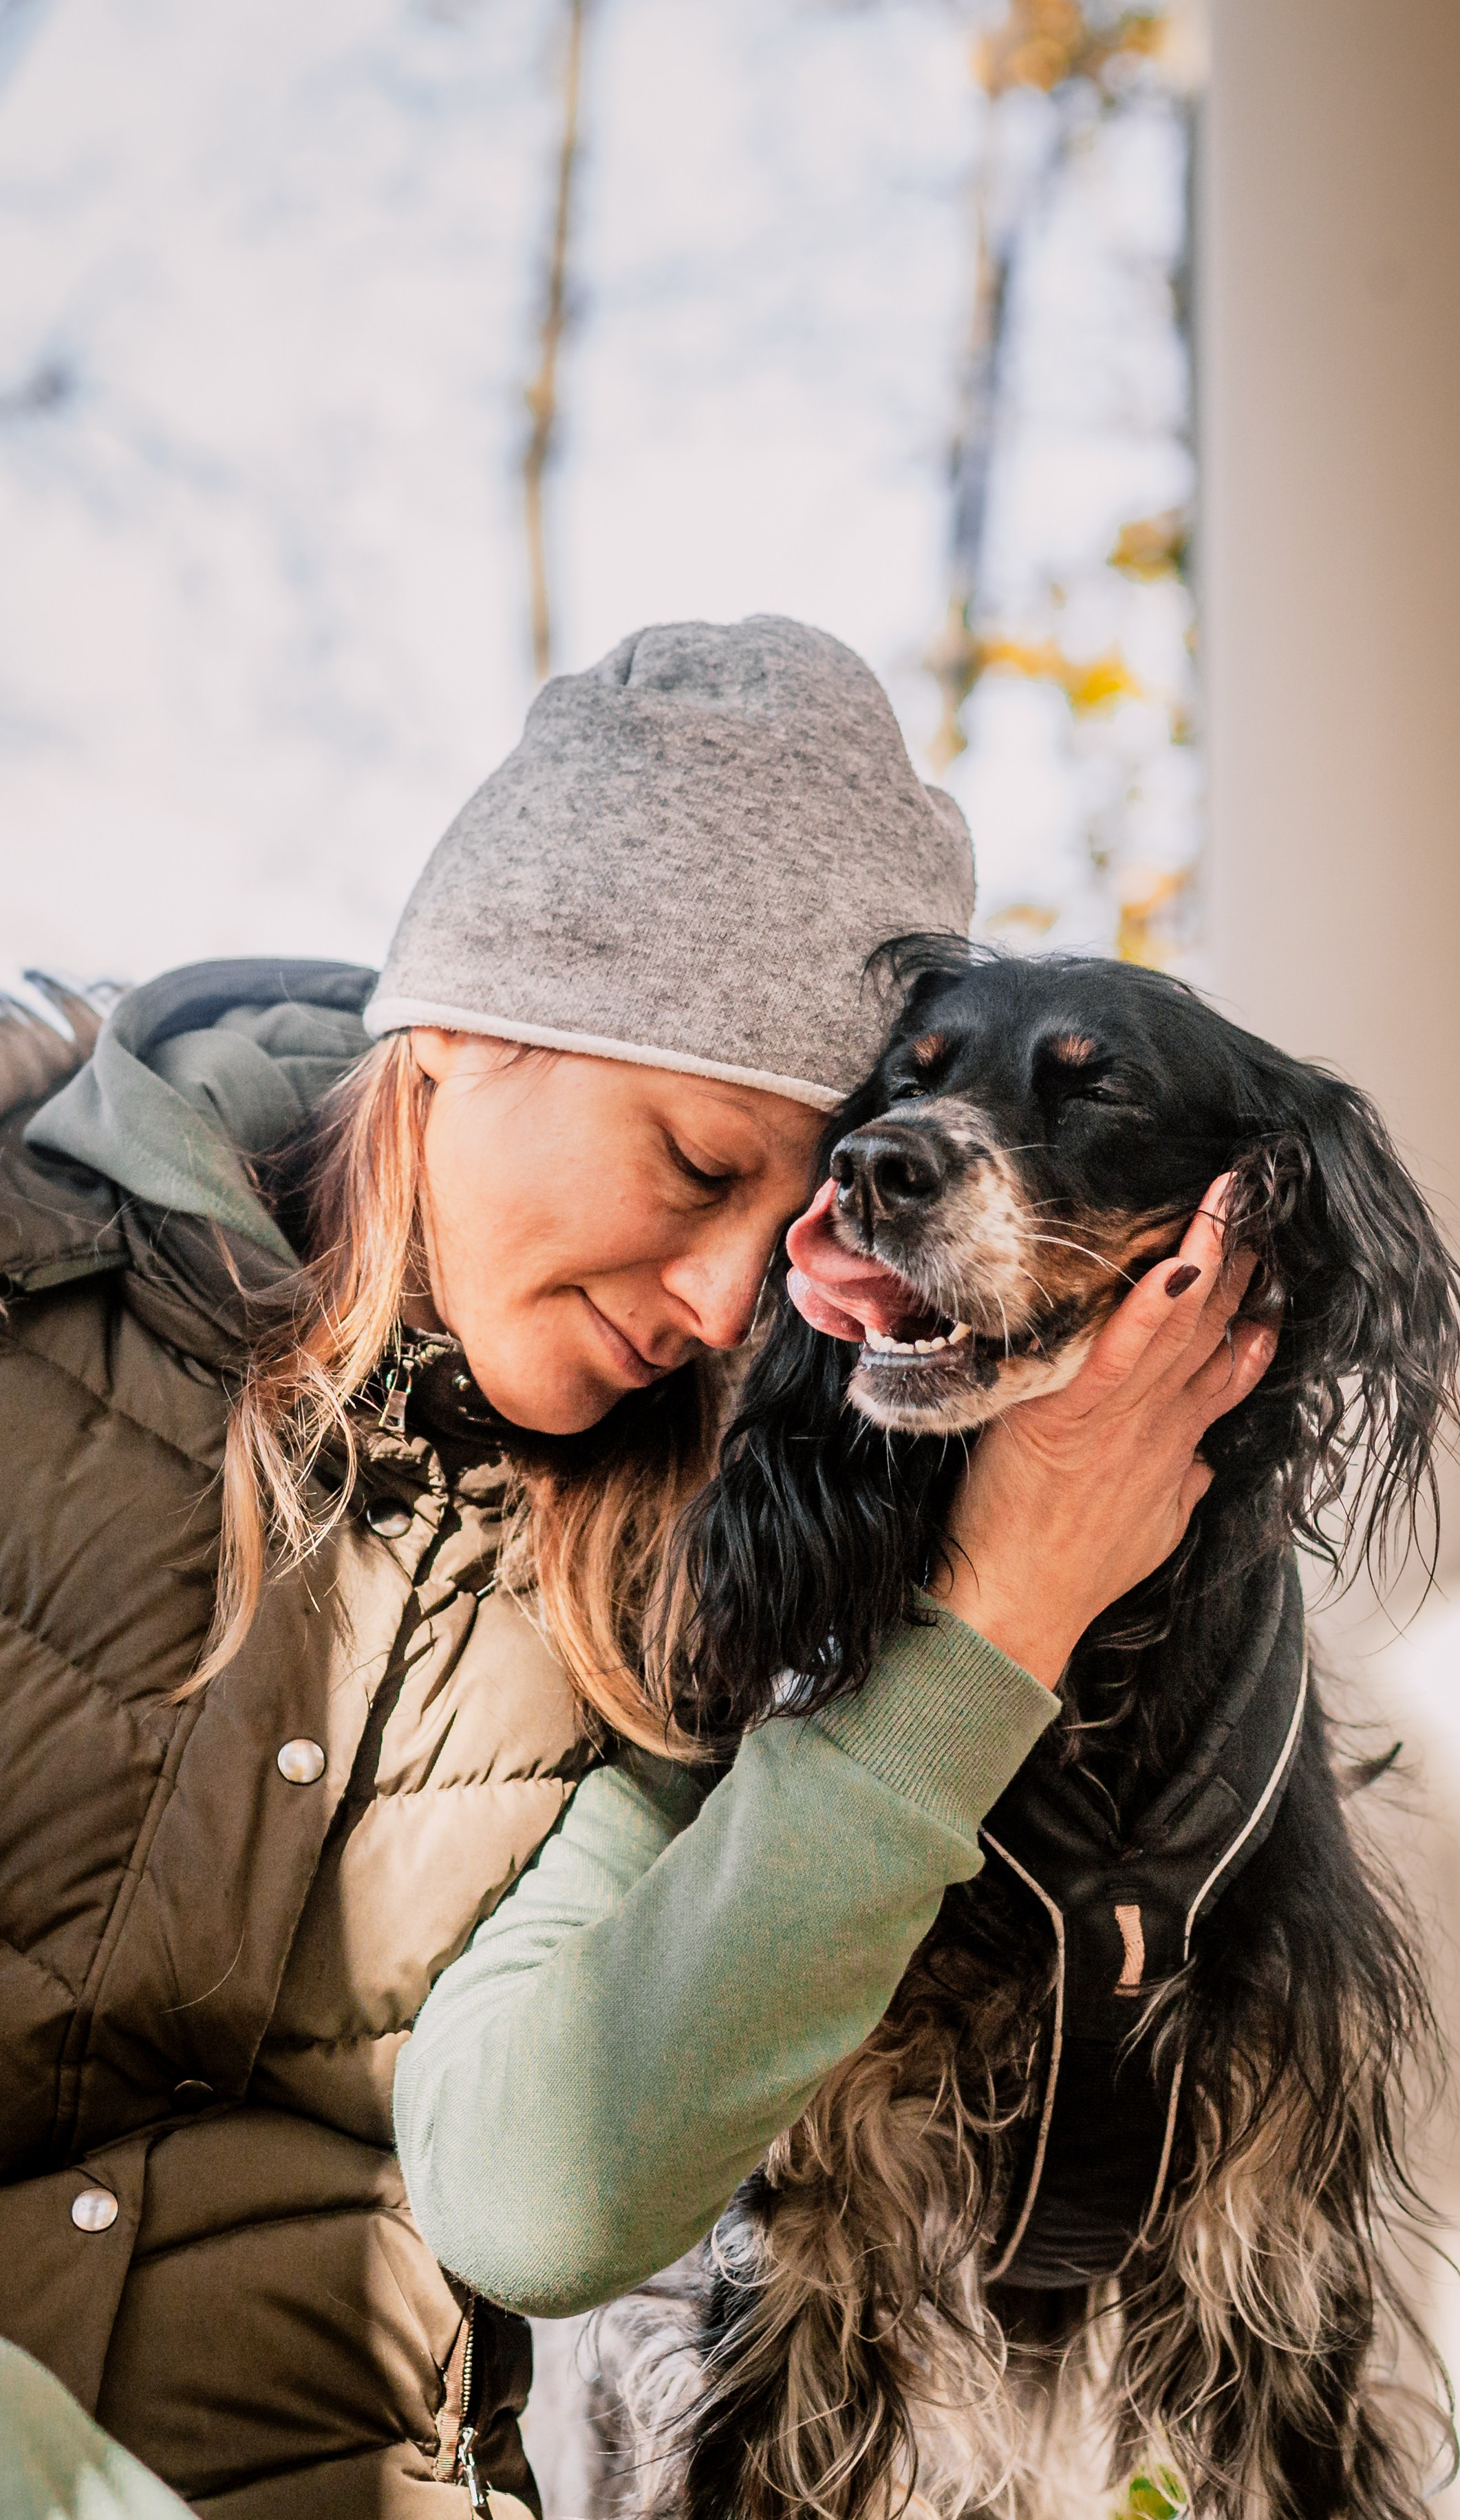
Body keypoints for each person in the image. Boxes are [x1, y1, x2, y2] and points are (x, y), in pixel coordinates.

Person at [0, 617, 1273, 2517]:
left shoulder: (697, 1561)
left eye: (792, 1225)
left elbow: (539, 2195)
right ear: (462, 1024)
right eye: (692, 1163)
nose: (715, 1299)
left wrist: (994, 1622)